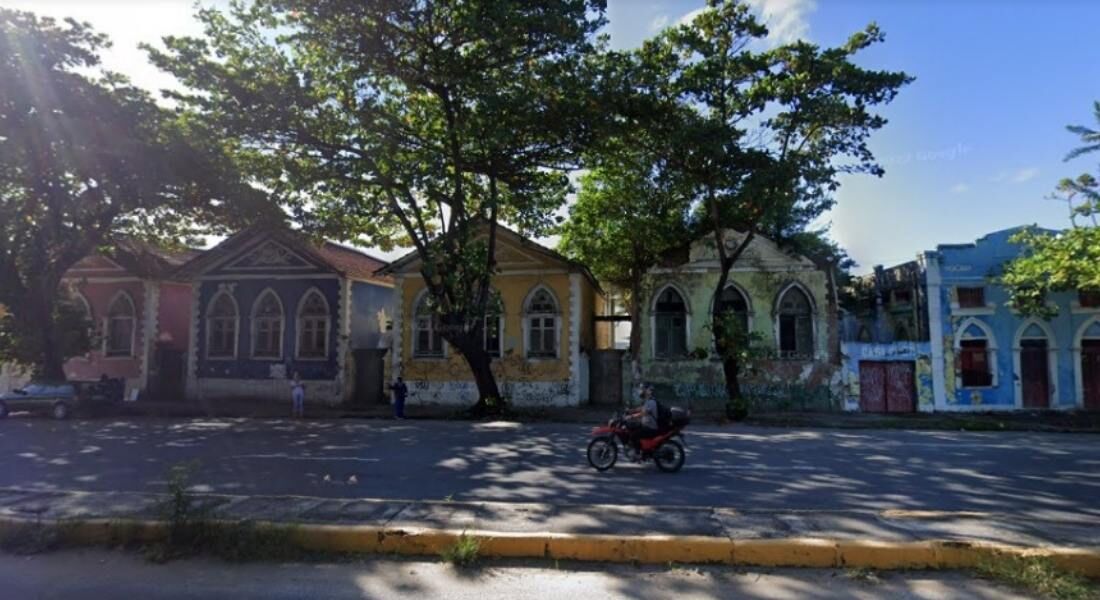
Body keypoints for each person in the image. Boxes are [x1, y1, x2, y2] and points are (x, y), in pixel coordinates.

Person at [626, 384, 660, 452]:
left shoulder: (651, 401)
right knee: (632, 427)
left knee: (634, 436)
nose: (641, 391)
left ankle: (638, 453)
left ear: (648, 391)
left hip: (650, 428)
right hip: (646, 425)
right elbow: (642, 409)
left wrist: (631, 416)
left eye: (642, 389)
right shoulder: (648, 400)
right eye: (641, 389)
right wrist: (631, 411)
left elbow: (644, 413)